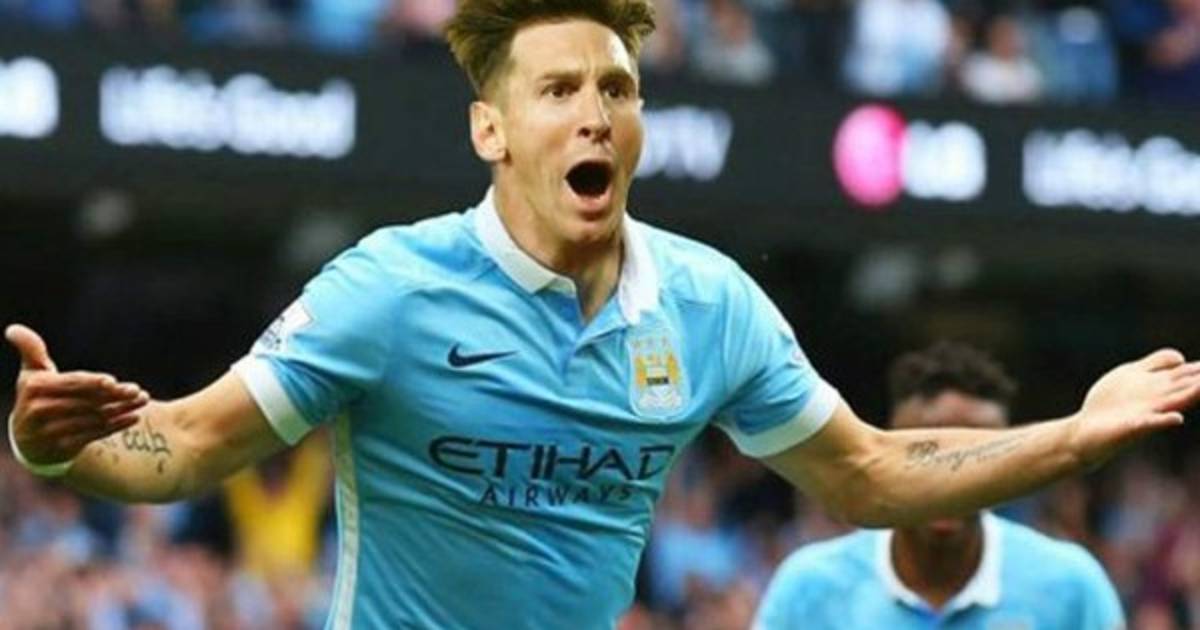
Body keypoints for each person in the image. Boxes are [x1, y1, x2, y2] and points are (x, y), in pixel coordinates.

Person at [5, 0, 1199, 627]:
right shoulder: (391, 288)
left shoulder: (709, 305)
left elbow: (871, 472)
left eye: (617, 89)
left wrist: (1074, 437)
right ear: (490, 128)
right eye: (559, 89)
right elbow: (187, 445)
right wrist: (57, 449)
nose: (594, 113)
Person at [754, 342, 1126, 629]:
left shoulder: (1072, 585)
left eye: (980, 454)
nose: (950, 476)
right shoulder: (808, 587)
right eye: (927, 453)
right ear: (888, 450)